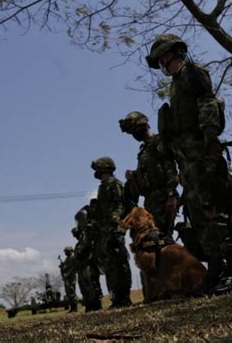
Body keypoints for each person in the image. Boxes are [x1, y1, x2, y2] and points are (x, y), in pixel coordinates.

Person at [146, 34, 232, 291]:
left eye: (161, 58)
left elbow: (208, 102)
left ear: (169, 53)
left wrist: (210, 142)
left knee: (214, 210)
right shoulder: (176, 83)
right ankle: (217, 270)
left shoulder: (191, 72)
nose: (161, 63)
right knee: (199, 215)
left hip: (201, 155)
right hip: (186, 161)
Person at [119, 111, 179, 239]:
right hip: (150, 201)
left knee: (163, 239)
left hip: (163, 198)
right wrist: (134, 175)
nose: (134, 134)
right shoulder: (144, 151)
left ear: (143, 126)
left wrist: (171, 195)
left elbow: (169, 168)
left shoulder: (158, 142)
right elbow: (150, 173)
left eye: (134, 130)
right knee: (152, 240)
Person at [90, 157, 132, 308]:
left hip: (115, 230)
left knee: (120, 263)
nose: (97, 172)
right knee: (110, 267)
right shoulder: (103, 187)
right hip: (104, 232)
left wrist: (118, 228)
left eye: (99, 169)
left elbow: (120, 206)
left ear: (106, 168)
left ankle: (125, 297)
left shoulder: (115, 184)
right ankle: (116, 299)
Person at [72, 204, 103, 312]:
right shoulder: (83, 233)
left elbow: (90, 245)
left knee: (92, 284)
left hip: (89, 263)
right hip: (82, 264)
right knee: (84, 285)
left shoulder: (91, 230)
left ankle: (96, 305)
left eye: (79, 221)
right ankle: (89, 305)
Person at [59, 246, 78, 313]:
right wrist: (62, 266)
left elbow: (73, 267)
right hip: (67, 278)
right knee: (68, 293)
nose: (65, 253)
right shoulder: (67, 259)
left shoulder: (73, 257)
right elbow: (65, 266)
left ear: (70, 251)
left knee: (72, 292)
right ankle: (72, 308)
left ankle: (75, 308)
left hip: (71, 277)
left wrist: (67, 274)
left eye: (66, 252)